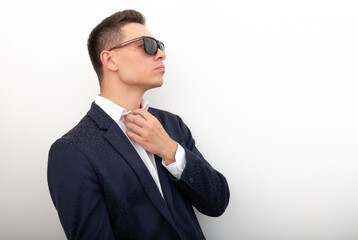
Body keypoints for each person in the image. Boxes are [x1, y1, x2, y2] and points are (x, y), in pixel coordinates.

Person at [47, 9, 230, 240]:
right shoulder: (72, 150)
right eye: (148, 45)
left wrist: (171, 151)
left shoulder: (172, 125)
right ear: (110, 59)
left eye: (160, 45)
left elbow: (218, 202)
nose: (161, 54)